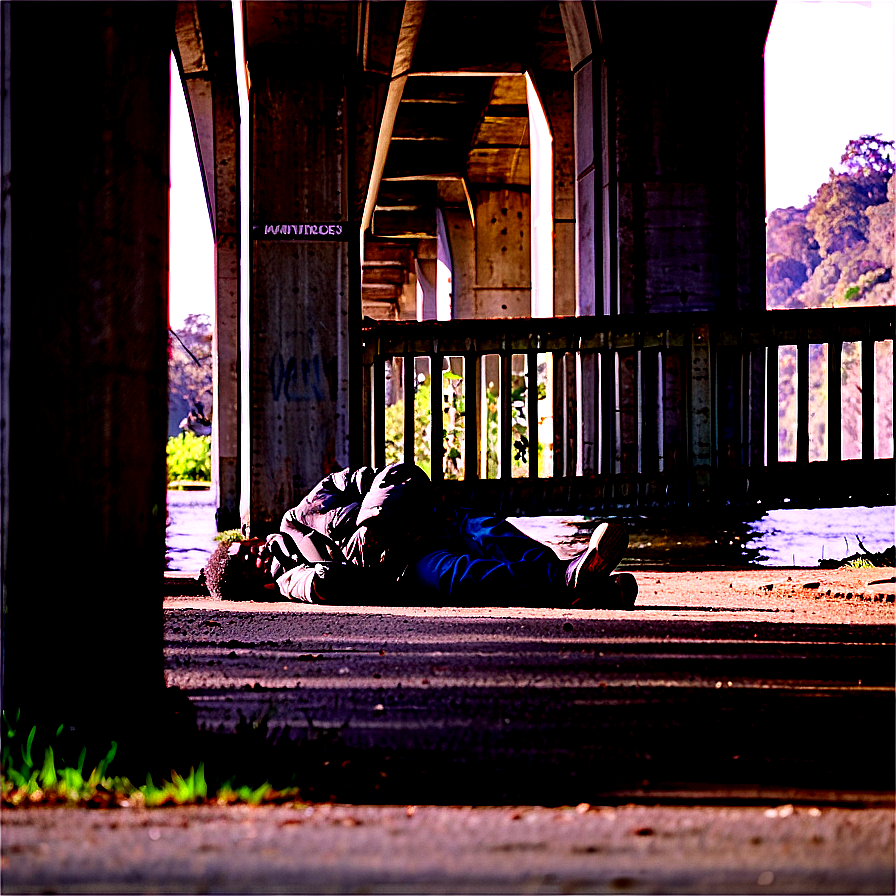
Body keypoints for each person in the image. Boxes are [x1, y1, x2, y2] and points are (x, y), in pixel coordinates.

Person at [203, 462, 638, 610]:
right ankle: (573, 581)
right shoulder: (294, 581)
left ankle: (580, 583)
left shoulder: (308, 508)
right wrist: (294, 579)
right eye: (248, 568)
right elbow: (327, 584)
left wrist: (372, 522)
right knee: (464, 577)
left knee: (493, 536)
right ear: (254, 589)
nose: (257, 555)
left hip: (435, 520)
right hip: (408, 569)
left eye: (248, 549)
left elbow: (392, 473)